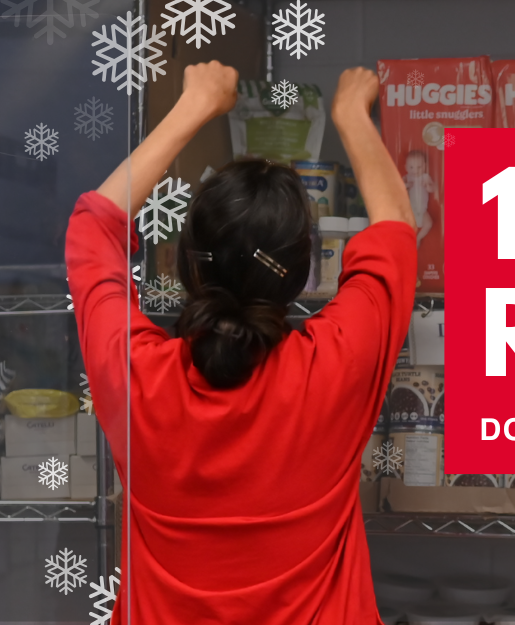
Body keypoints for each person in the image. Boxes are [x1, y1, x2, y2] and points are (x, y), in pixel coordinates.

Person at [67, 61, 416, 624]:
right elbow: (396, 231)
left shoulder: (137, 379)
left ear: (186, 267)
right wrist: (352, 116)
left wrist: (195, 104)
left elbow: (94, 226)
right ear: (303, 272)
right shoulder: (334, 366)